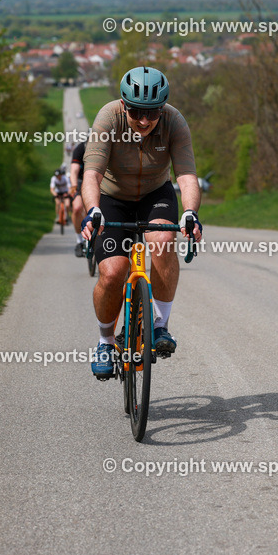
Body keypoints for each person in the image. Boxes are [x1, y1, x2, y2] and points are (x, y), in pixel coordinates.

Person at [81, 66, 203, 379]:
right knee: (113, 272)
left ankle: (160, 326)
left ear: (163, 109)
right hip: (112, 198)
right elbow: (92, 174)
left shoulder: (174, 121)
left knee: (162, 241)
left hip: (155, 194)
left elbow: (186, 175)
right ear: (124, 106)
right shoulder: (108, 118)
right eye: (136, 112)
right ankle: (105, 342)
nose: (145, 121)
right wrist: (93, 210)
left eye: (152, 113)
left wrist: (190, 212)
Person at [69, 140, 87, 256]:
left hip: (101, 180)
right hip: (81, 181)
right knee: (77, 208)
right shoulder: (81, 148)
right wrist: (74, 186)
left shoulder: (108, 145)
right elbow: (74, 170)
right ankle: (79, 241)